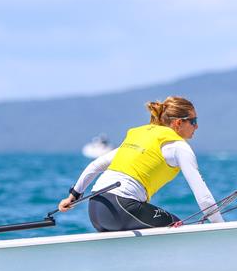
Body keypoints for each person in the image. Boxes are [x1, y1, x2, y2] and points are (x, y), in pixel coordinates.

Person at [58, 96, 224, 231]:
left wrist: (73, 196)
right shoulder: (179, 147)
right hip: (121, 208)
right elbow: (204, 198)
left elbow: (95, 165)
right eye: (193, 121)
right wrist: (222, 229)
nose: (197, 126)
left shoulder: (141, 137)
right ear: (178, 123)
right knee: (177, 227)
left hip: (95, 209)